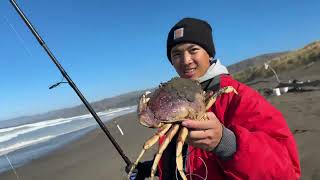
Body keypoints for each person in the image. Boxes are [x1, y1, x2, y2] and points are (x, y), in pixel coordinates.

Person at [128, 17, 301, 180]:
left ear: (209, 53)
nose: (186, 60)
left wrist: (227, 144)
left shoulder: (239, 97)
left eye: (193, 50)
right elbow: (183, 155)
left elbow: (287, 173)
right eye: (176, 54)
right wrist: (150, 168)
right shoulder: (174, 102)